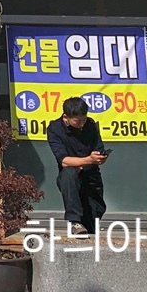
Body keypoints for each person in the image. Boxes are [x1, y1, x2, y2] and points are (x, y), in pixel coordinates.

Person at [46, 97, 107, 237]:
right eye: (77, 121)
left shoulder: (90, 125)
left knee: (94, 213)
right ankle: (74, 222)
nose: (82, 124)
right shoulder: (55, 129)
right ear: (65, 117)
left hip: (91, 175)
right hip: (71, 177)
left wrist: (100, 158)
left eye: (84, 120)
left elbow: (98, 149)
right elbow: (64, 161)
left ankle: (88, 236)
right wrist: (88, 160)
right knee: (69, 173)